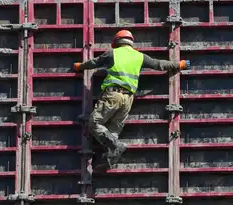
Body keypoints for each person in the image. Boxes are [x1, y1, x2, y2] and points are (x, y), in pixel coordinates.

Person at [73, 30, 190, 170]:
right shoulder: (139, 56)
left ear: (116, 42)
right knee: (113, 131)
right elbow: (159, 64)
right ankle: (111, 158)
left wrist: (80, 66)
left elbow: (94, 62)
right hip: (128, 99)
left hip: (113, 95)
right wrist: (179, 64)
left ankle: (116, 146)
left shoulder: (112, 53)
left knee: (94, 123)